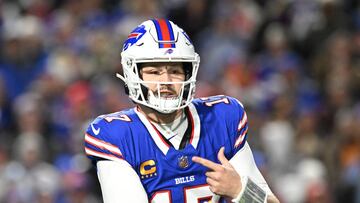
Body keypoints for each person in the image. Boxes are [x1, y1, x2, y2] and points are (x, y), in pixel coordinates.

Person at [84, 19, 280, 203]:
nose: (166, 81)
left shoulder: (222, 119)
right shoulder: (117, 136)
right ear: (133, 75)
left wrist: (240, 190)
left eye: (175, 71)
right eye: (154, 72)